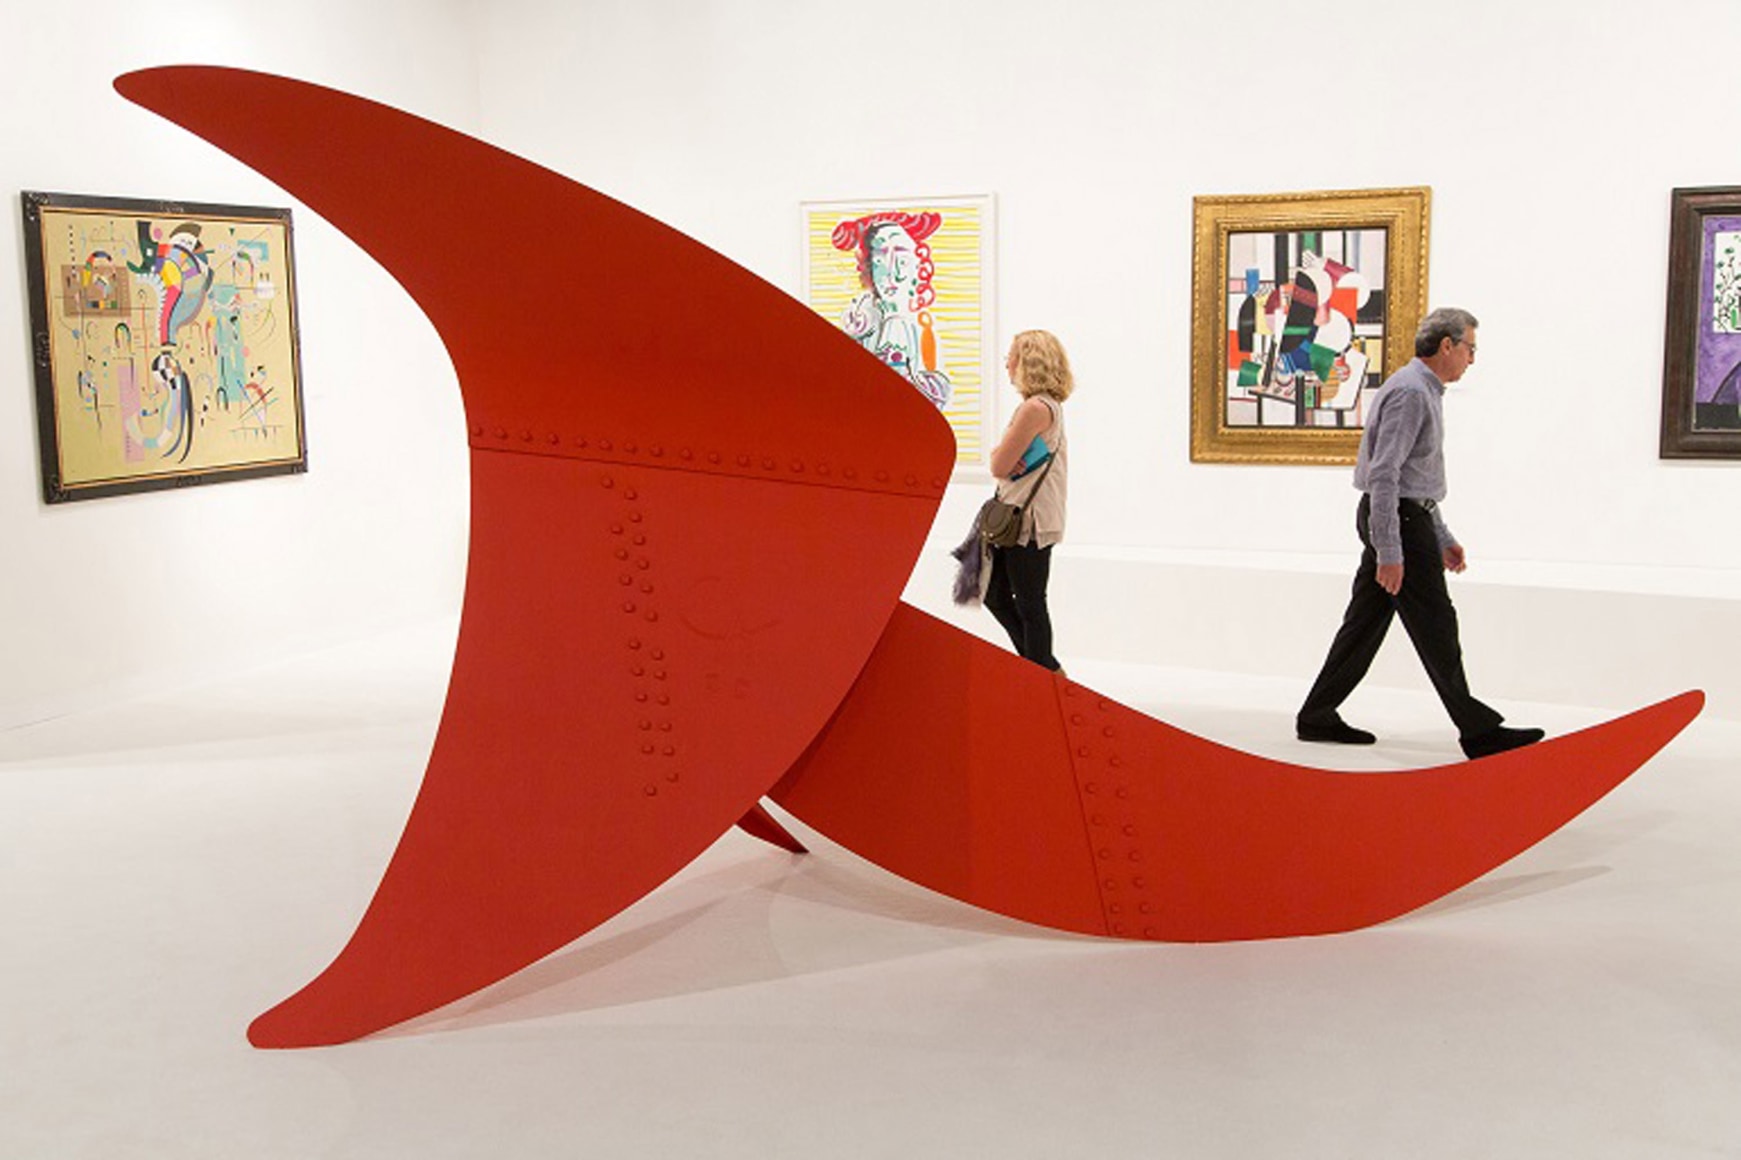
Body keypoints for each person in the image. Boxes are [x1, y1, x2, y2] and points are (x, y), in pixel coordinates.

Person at [1295, 307, 1544, 759]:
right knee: (1436, 625)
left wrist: (1441, 534)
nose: (1472, 359)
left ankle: (1316, 715)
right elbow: (1386, 475)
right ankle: (1478, 732)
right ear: (1446, 345)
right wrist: (1391, 548)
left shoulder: (1420, 388)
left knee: (1364, 624)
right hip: (1399, 522)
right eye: (1470, 348)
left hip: (1406, 518)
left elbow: (1413, 478)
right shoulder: (1412, 392)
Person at [981, 329, 1072, 671]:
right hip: (1027, 516)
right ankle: (1044, 669)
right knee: (999, 593)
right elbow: (1004, 462)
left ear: (1027, 363)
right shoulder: (1046, 406)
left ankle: (1043, 674)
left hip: (1029, 520)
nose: (1006, 363)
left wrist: (1000, 455)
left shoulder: (1034, 408)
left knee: (1030, 602)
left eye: (1011, 356)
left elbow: (997, 464)